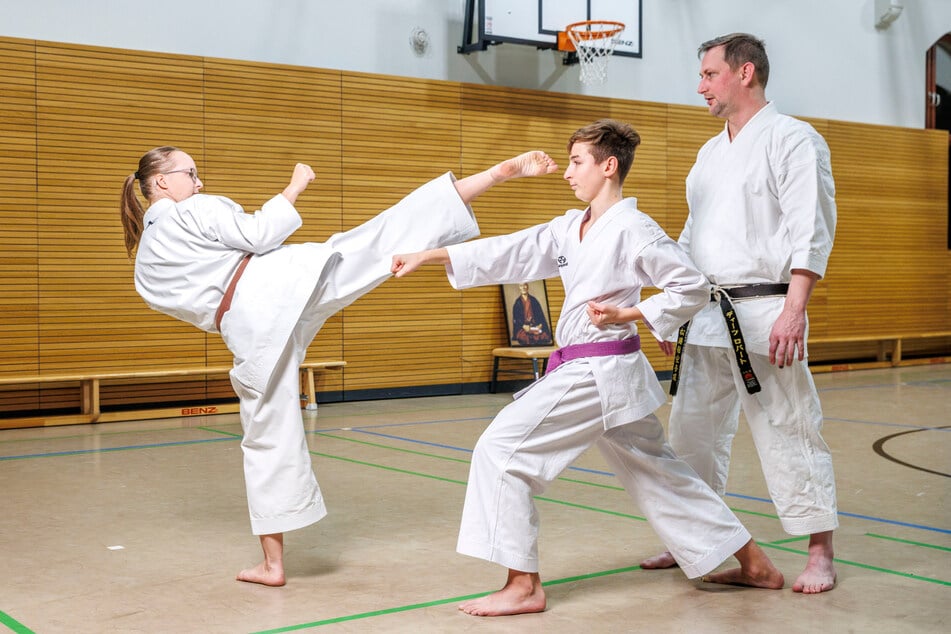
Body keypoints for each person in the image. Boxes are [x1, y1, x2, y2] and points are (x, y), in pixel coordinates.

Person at [391, 119, 784, 617]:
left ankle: (523, 585)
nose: (568, 173)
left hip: (597, 371)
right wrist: (432, 254)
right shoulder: (569, 227)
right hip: (605, 377)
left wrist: (634, 314)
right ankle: (755, 565)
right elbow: (508, 251)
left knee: (502, 451)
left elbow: (692, 287)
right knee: (661, 476)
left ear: (608, 165)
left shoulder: (634, 229)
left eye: (577, 162)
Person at [119, 146, 559, 587]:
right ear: (161, 182)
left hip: (245, 325)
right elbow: (259, 233)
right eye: (191, 174)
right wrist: (294, 185)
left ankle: (272, 566)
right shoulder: (194, 209)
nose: (199, 183)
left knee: (266, 437)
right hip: (280, 281)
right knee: (382, 235)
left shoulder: (145, 266)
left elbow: (185, 306)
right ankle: (493, 176)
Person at [639, 33, 838, 594]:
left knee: (789, 431)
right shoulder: (708, 154)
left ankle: (820, 550)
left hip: (767, 310)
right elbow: (690, 239)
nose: (699, 85)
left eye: (708, 74)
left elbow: (811, 230)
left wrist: (794, 310)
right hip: (706, 314)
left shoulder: (794, 139)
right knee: (691, 436)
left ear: (744, 73)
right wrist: (671, 313)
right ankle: (695, 540)